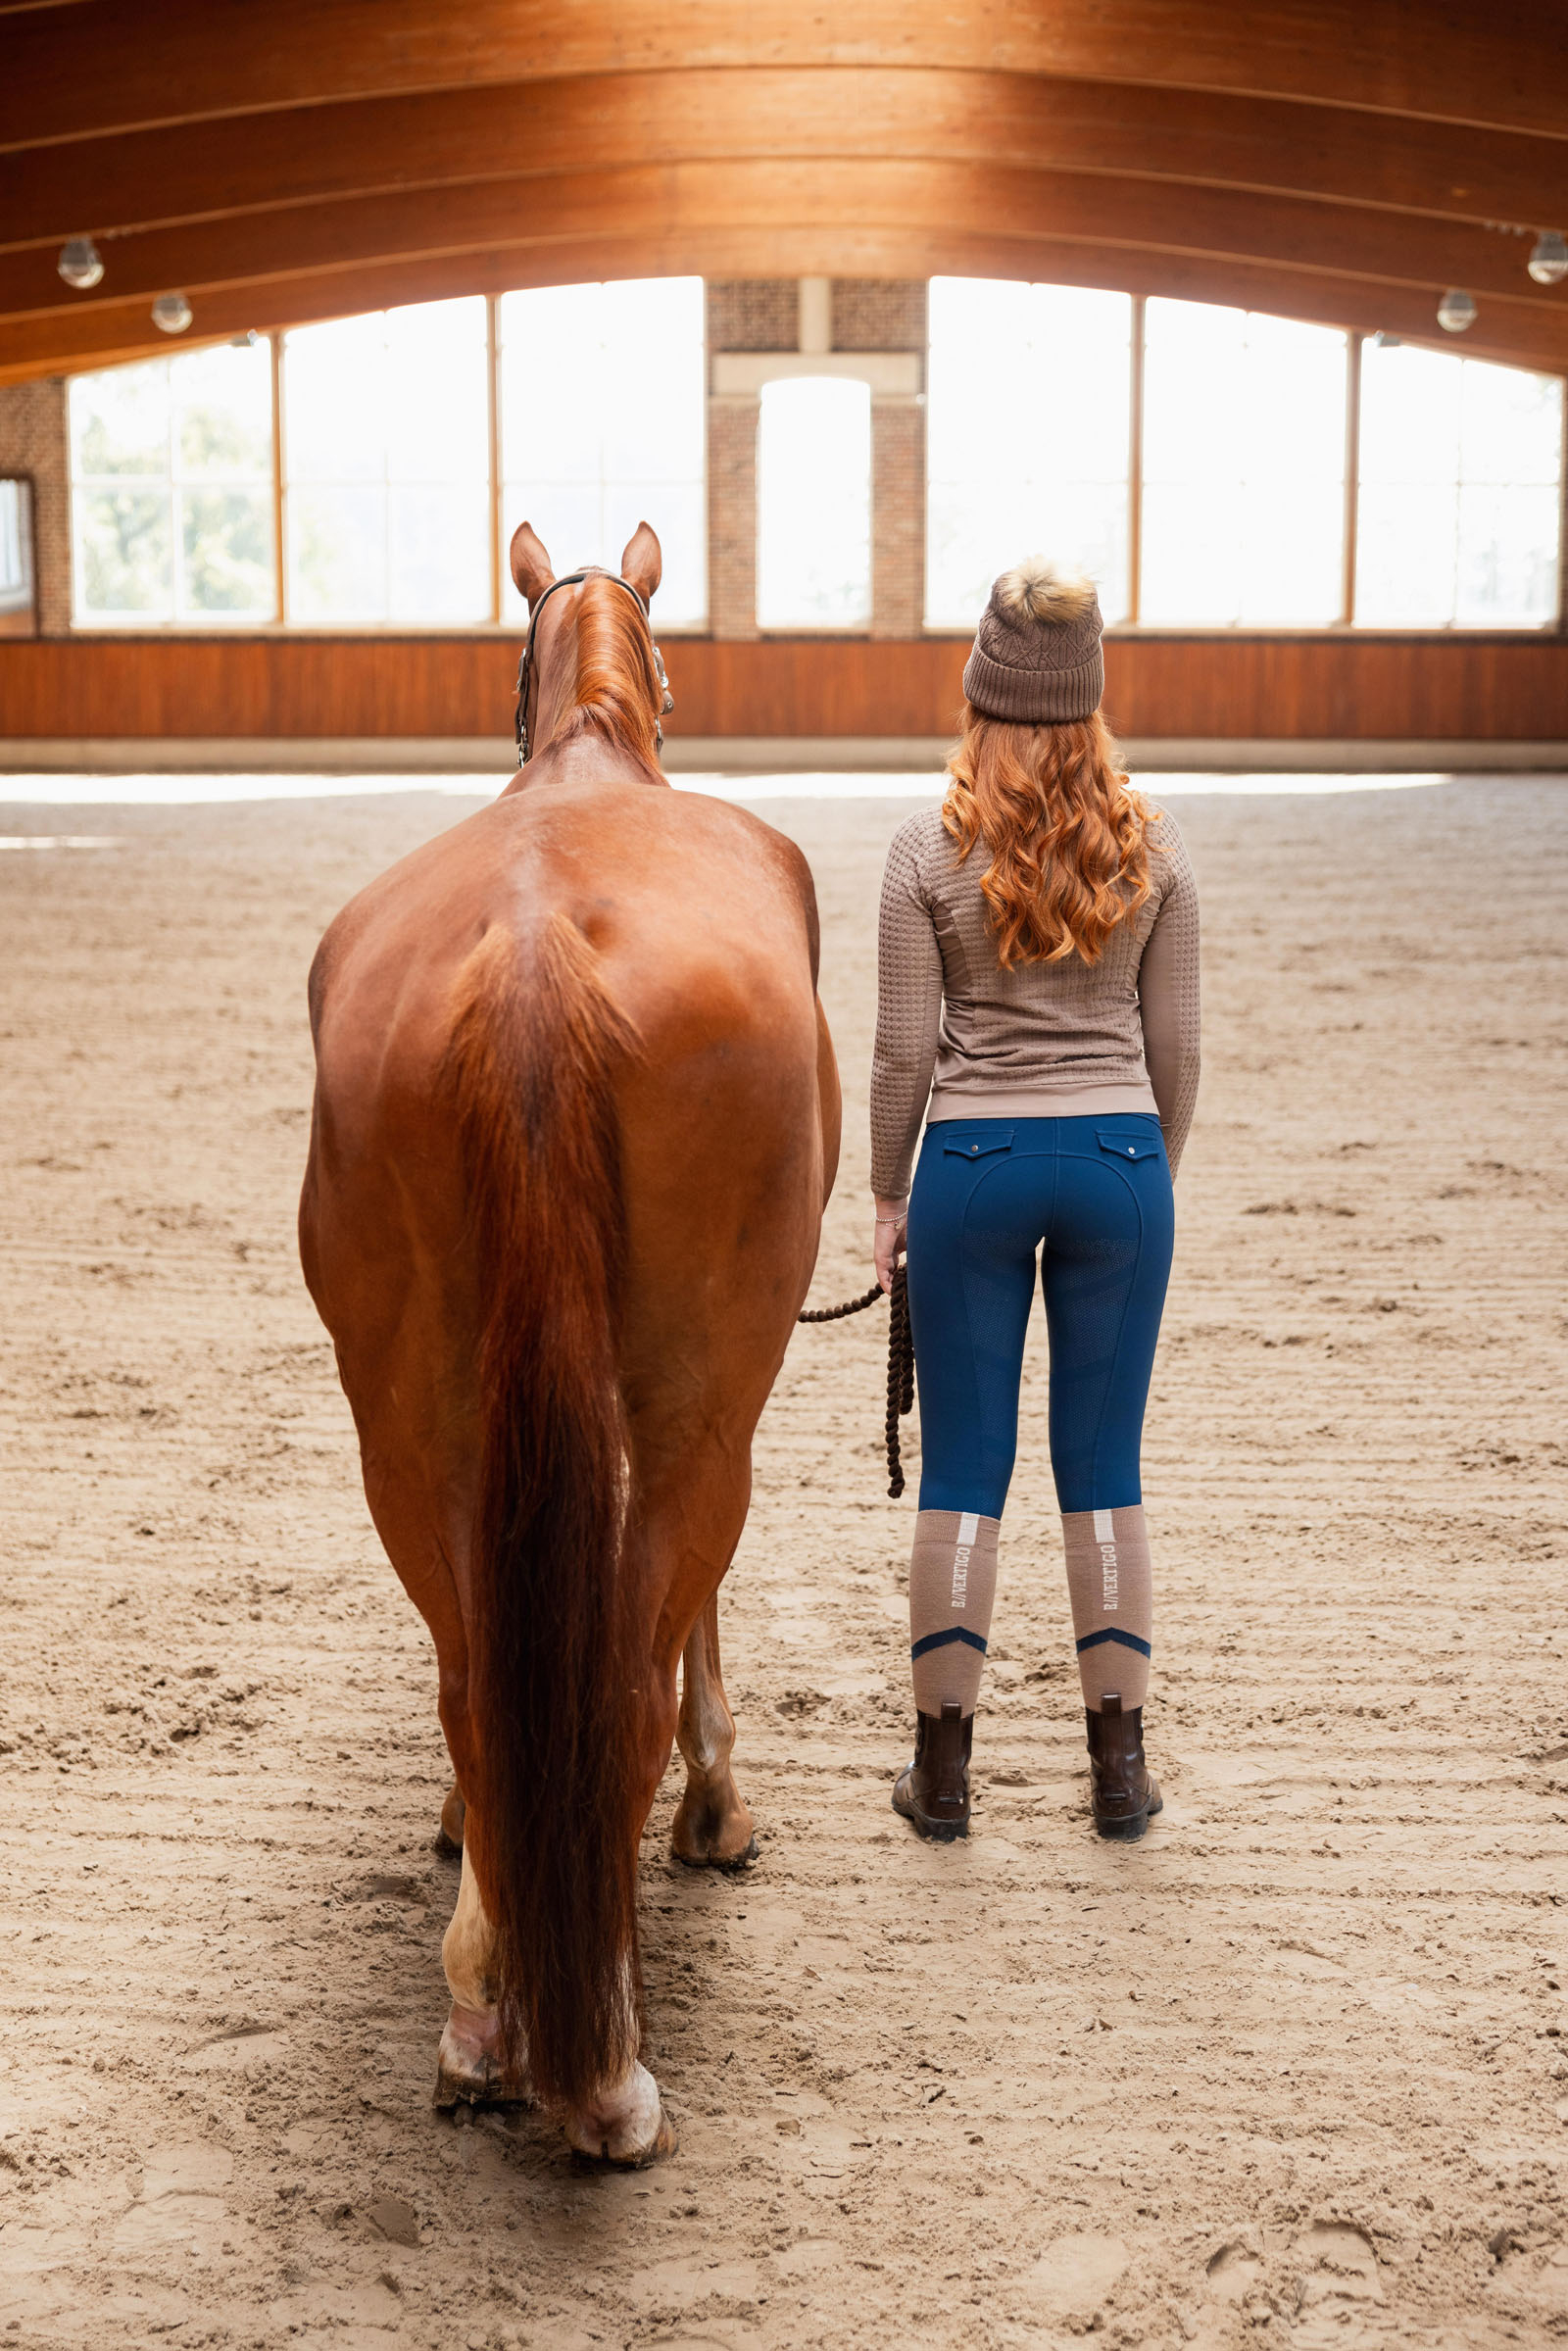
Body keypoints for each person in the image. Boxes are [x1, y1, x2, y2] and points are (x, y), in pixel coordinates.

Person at [870, 556, 1200, 1843]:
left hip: (972, 1169)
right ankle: (1118, 1777)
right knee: (1104, 1469)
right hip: (1119, 1159)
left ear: (981, 694)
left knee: (963, 1468)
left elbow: (904, 1052)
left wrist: (891, 1195)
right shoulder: (1156, 847)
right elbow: (1179, 1053)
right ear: (1092, 696)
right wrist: (1140, 1168)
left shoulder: (924, 848)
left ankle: (942, 1781)